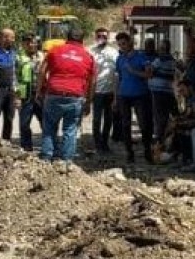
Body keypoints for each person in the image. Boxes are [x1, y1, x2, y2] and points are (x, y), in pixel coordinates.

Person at [37, 26, 94, 169]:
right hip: (75, 96)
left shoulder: (55, 50)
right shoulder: (88, 56)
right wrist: (89, 101)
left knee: (49, 127)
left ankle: (46, 158)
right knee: (70, 129)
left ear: (67, 38)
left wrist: (39, 91)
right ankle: (66, 161)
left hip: (54, 93)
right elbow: (93, 81)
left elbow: (42, 71)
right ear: (82, 40)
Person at [113, 32, 153, 164]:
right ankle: (129, 153)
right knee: (125, 125)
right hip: (124, 95)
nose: (122, 47)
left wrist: (134, 71)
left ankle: (148, 152)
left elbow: (149, 74)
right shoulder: (120, 59)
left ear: (130, 42)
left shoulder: (141, 57)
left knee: (144, 125)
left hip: (140, 95)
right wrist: (115, 97)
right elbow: (118, 78)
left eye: (123, 43)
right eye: (119, 45)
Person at [89, 27, 119, 156]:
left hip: (110, 91)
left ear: (108, 38)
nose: (102, 38)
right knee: (96, 119)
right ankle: (97, 144)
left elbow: (118, 72)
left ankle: (105, 143)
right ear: (95, 37)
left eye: (105, 36)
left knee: (108, 119)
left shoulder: (114, 52)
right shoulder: (90, 52)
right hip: (96, 91)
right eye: (100, 36)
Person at [148, 38, 178, 160]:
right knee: (165, 119)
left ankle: (158, 146)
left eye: (160, 47)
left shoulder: (159, 60)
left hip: (159, 93)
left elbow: (149, 72)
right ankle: (162, 145)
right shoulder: (172, 60)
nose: (158, 49)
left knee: (160, 120)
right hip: (168, 92)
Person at [16, 34, 43, 152]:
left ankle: (49, 146)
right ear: (23, 44)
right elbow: (14, 78)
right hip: (25, 95)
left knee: (45, 122)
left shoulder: (42, 57)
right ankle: (26, 147)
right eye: (28, 43)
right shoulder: (18, 58)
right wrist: (16, 96)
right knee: (24, 123)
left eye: (33, 42)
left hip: (41, 94)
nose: (31, 45)